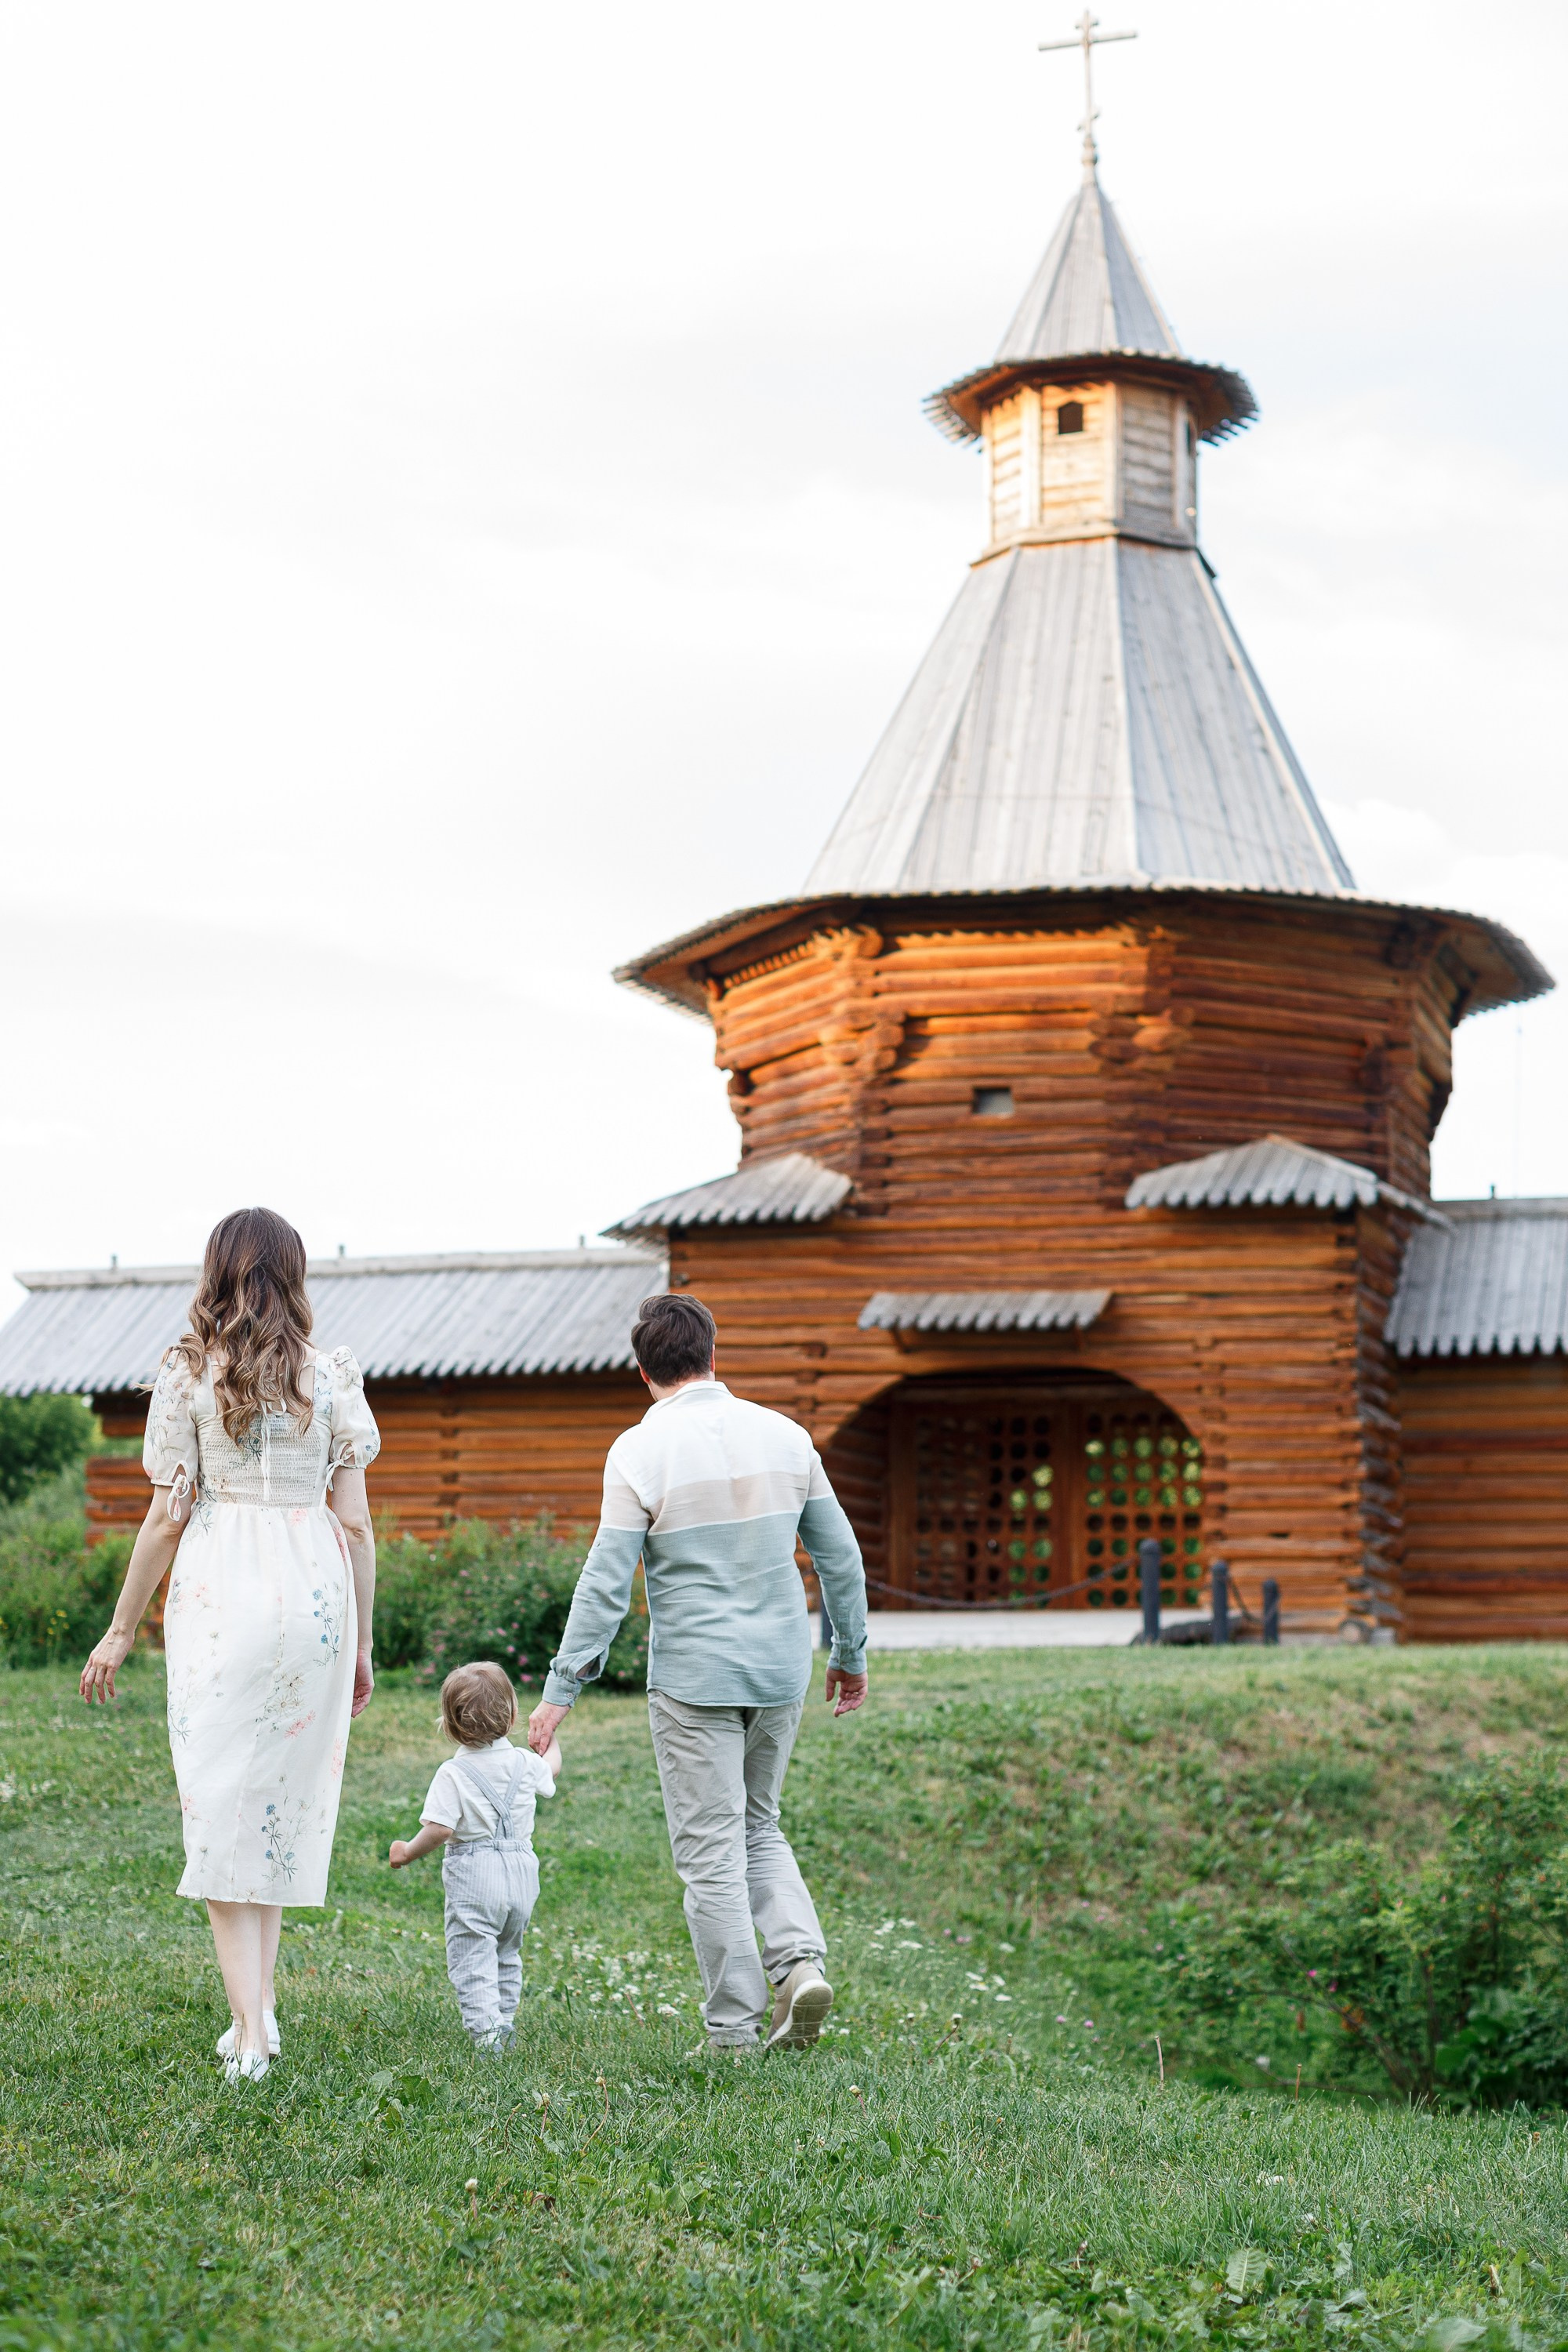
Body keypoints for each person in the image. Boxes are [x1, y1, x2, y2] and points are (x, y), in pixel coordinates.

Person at [79, 1207, 379, 2084]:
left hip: (223, 1595)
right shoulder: (332, 1379)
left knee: (219, 1806)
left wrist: (121, 1625)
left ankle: (250, 2033)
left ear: (217, 1272)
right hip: (315, 1595)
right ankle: (261, 2009)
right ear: (292, 1274)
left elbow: (170, 1513)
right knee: (276, 1807)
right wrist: (358, 1643)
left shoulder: (187, 1375)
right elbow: (355, 1526)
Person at [526, 1292, 868, 2054]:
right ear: (714, 1355)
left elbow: (604, 1583)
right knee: (757, 1824)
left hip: (693, 1680)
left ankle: (732, 2031)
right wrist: (848, 1655)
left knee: (710, 1848)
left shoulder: (638, 1452)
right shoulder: (786, 1437)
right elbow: (840, 1558)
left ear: (642, 1370)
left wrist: (560, 1690)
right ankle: (799, 1964)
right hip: (781, 1667)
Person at [389, 1661, 561, 2052]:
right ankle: (504, 2022)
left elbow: (440, 1830)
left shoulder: (454, 1773)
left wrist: (406, 1853)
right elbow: (552, 1768)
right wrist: (550, 1738)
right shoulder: (523, 1762)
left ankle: (487, 2036)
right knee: (506, 1951)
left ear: (449, 1723)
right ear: (514, 1713)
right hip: (522, 1872)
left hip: (475, 1873)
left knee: (472, 1952)